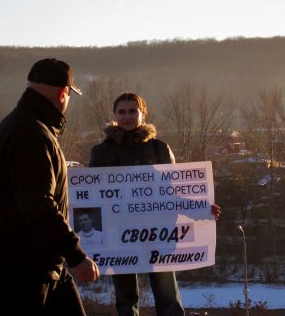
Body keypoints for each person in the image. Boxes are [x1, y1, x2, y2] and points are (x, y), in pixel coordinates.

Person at [0, 58, 100, 316]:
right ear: (63, 93)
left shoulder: (24, 125)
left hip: (38, 265)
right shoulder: (31, 134)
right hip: (22, 270)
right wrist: (76, 256)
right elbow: (39, 205)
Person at [89, 92, 221, 316]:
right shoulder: (101, 152)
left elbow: (171, 194)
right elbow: (92, 196)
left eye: (133, 111)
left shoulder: (160, 149)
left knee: (167, 295)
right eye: (122, 112)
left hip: (158, 234)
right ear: (114, 115)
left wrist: (199, 210)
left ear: (143, 114)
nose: (127, 116)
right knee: (125, 298)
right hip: (119, 235)